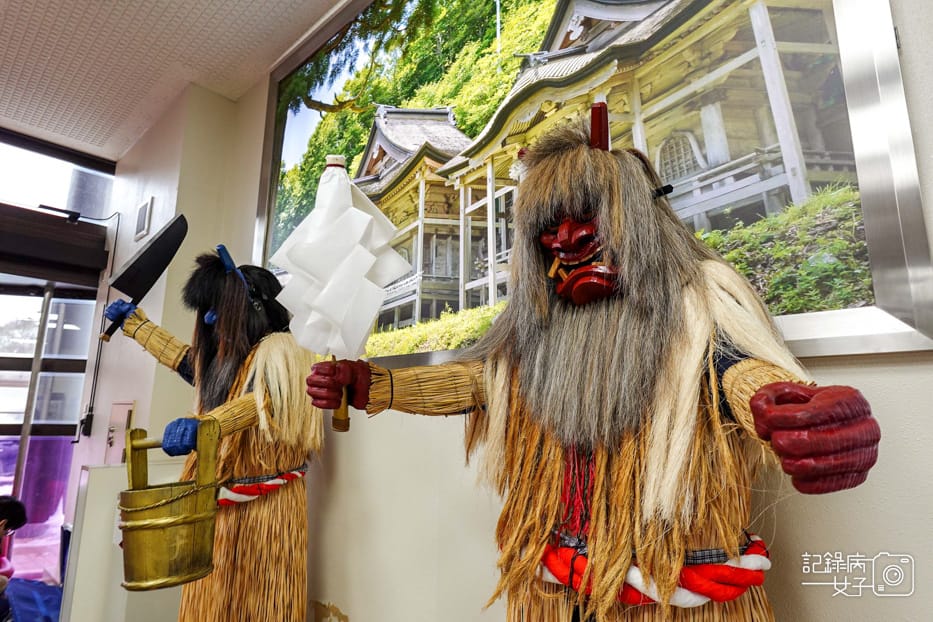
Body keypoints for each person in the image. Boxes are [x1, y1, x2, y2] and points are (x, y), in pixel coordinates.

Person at [306, 114, 880, 621]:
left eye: (586, 217)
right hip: (555, 581)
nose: (567, 239)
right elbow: (476, 380)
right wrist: (376, 383)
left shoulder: (698, 303)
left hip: (673, 588)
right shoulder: (533, 328)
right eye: (548, 230)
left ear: (635, 216)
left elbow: (741, 375)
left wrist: (797, 409)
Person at [106, 246, 322, 622]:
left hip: (268, 511)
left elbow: (261, 402)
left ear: (253, 307)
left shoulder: (283, 351)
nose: (208, 317)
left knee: (259, 602)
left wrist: (205, 426)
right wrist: (136, 325)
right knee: (210, 600)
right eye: (206, 309)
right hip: (217, 503)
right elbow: (184, 359)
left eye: (218, 308)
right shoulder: (230, 361)